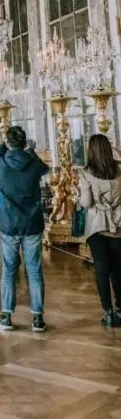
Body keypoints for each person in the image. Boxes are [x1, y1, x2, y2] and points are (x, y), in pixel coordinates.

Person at [0, 125, 49, 333]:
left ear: (8, 143)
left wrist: (3, 147)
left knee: (9, 270)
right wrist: (29, 151)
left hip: (8, 224)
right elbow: (44, 167)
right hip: (32, 223)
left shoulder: (0, 165)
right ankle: (38, 318)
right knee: (34, 271)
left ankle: (6, 315)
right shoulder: (34, 164)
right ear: (24, 143)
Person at [77, 133, 121, 327]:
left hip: (97, 226)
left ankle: (108, 312)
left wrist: (78, 197)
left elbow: (86, 203)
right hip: (119, 224)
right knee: (118, 270)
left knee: (101, 270)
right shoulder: (119, 170)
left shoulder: (86, 173)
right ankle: (120, 308)